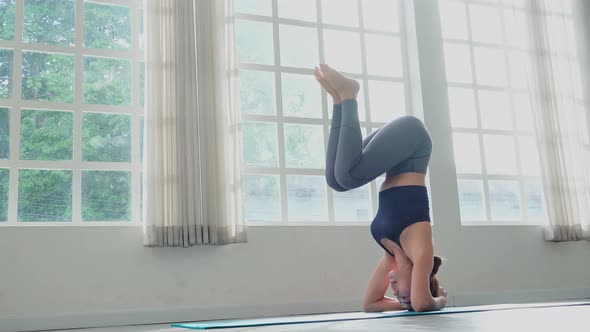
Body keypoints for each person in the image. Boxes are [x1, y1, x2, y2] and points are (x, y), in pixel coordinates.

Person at [314, 64, 447, 312]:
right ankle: (350, 93)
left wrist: (400, 305)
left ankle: (338, 100)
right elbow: (421, 304)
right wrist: (440, 301)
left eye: (400, 300)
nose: (396, 294)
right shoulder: (421, 254)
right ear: (422, 282)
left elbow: (369, 304)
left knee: (337, 181)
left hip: (399, 151)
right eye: (404, 296)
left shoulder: (391, 255)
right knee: (348, 175)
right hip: (413, 139)